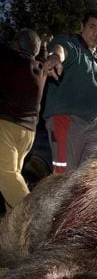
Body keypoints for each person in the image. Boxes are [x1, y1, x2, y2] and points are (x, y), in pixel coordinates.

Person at [0, 28, 61, 211]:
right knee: (14, 179)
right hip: (28, 134)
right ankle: (15, 232)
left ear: (17, 44)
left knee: (7, 175)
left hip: (7, 126)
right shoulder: (40, 67)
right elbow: (41, 54)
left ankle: (34, 220)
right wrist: (44, 44)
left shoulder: (8, 59)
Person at [43, 8, 97, 173]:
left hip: (90, 130)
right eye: (92, 27)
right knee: (63, 180)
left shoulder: (96, 61)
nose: (96, 33)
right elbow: (60, 49)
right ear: (82, 27)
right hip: (66, 122)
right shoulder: (72, 44)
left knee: (82, 183)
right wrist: (56, 57)